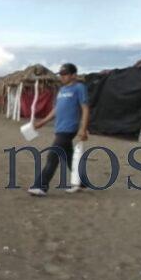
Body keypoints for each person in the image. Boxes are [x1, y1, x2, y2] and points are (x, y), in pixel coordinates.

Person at [28, 63, 90, 196]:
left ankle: (40, 186)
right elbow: (56, 109)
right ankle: (82, 182)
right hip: (59, 127)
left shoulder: (79, 88)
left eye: (65, 74)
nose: (62, 77)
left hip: (69, 128)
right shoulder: (61, 90)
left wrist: (83, 129)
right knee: (69, 157)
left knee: (53, 155)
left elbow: (85, 108)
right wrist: (42, 122)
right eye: (61, 74)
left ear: (74, 75)